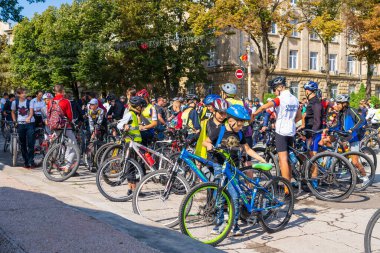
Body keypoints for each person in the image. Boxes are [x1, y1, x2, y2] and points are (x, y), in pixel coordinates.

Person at [203, 104, 266, 236]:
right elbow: (206, 141)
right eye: (239, 124)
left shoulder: (240, 133)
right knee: (219, 196)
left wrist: (261, 159)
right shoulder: (219, 130)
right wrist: (209, 145)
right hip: (219, 165)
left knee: (235, 196)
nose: (241, 127)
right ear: (231, 121)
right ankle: (219, 224)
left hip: (233, 167)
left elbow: (247, 149)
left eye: (242, 124)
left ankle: (235, 225)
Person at [252, 76, 302, 184]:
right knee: (287, 159)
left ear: (279, 88)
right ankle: (289, 183)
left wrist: (254, 114)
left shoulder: (280, 99)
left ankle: (286, 188)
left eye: (274, 90)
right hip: (291, 131)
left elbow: (263, 107)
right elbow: (299, 116)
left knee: (282, 159)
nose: (274, 92)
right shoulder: (295, 99)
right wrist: (289, 121)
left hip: (281, 132)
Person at [117, 96, 145, 195]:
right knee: (131, 167)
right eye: (141, 106)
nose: (142, 108)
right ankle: (133, 189)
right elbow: (119, 124)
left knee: (135, 166)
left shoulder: (135, 114)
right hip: (130, 144)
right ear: (137, 106)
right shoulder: (130, 114)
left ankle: (132, 189)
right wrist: (124, 126)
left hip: (136, 144)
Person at [47, 85, 77, 173]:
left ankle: (50, 161)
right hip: (64, 127)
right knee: (73, 145)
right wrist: (70, 122)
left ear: (54, 92)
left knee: (53, 142)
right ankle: (67, 166)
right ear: (62, 91)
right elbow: (70, 116)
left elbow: (49, 114)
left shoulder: (50, 102)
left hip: (54, 126)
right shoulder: (65, 101)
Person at [299, 81, 323, 188]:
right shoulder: (311, 102)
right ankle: (304, 177)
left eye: (305, 91)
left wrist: (313, 134)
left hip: (314, 133)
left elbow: (317, 121)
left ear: (308, 91)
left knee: (313, 158)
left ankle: (314, 183)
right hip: (309, 132)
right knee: (305, 155)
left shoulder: (316, 103)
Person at [11, 88, 35, 168]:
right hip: (20, 125)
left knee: (31, 143)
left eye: (25, 93)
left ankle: (31, 160)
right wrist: (15, 121)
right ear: (18, 95)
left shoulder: (30, 102)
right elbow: (13, 112)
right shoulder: (15, 102)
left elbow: (31, 112)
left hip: (30, 124)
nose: (24, 94)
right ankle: (26, 161)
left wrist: (29, 117)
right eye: (22, 93)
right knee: (23, 143)